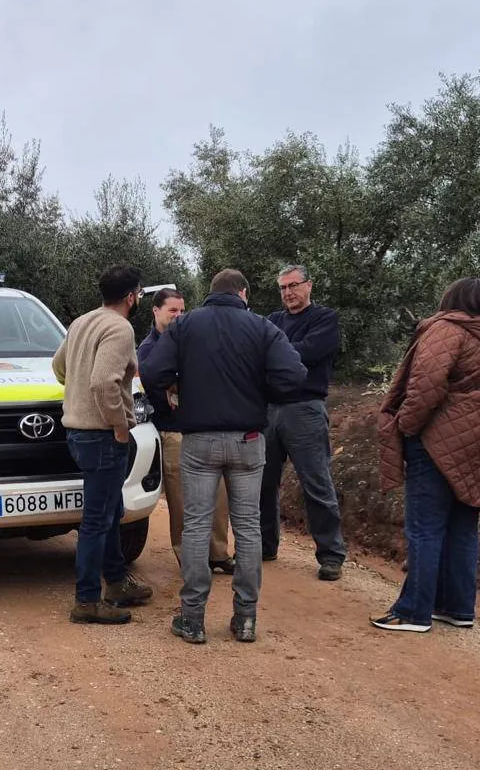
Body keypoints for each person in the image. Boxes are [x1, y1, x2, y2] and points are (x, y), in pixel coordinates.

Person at [141, 269, 307, 645]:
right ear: (243, 294)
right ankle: (245, 618)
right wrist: (260, 389)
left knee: (197, 526)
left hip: (198, 440)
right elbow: (294, 374)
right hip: (249, 439)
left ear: (210, 294)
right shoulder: (262, 327)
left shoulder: (187, 326)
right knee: (247, 527)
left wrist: (178, 385)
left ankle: (193, 619)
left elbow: (151, 371)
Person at [372, 278, 480, 633]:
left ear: (450, 300)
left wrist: (406, 426)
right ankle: (457, 607)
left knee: (425, 527)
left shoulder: (446, 329)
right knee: (463, 528)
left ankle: (414, 612)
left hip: (437, 443)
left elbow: (425, 387)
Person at [51, 265, 156, 624]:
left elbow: (58, 366)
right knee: (97, 520)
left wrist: (75, 390)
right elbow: (102, 383)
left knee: (111, 512)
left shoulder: (82, 322)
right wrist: (120, 427)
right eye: (139, 294)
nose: (139, 299)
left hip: (77, 433)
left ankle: (116, 582)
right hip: (103, 436)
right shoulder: (120, 328)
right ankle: (86, 601)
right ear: (130, 297)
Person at [136, 288, 233, 573]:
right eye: (172, 311)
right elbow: (155, 380)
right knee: (181, 500)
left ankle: (218, 553)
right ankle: (189, 558)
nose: (179, 316)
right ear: (156, 311)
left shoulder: (191, 340)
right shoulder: (148, 348)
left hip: (202, 428)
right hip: (171, 432)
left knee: (218, 493)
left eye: (182, 310)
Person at [261, 264, 348, 581]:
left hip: (306, 409)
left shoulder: (324, 319)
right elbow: (263, 354)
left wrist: (276, 353)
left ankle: (331, 555)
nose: (288, 293)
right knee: (263, 483)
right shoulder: (273, 320)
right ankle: (265, 545)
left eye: (293, 285)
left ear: (309, 286)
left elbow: (309, 352)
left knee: (317, 483)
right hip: (269, 411)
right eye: (283, 288)